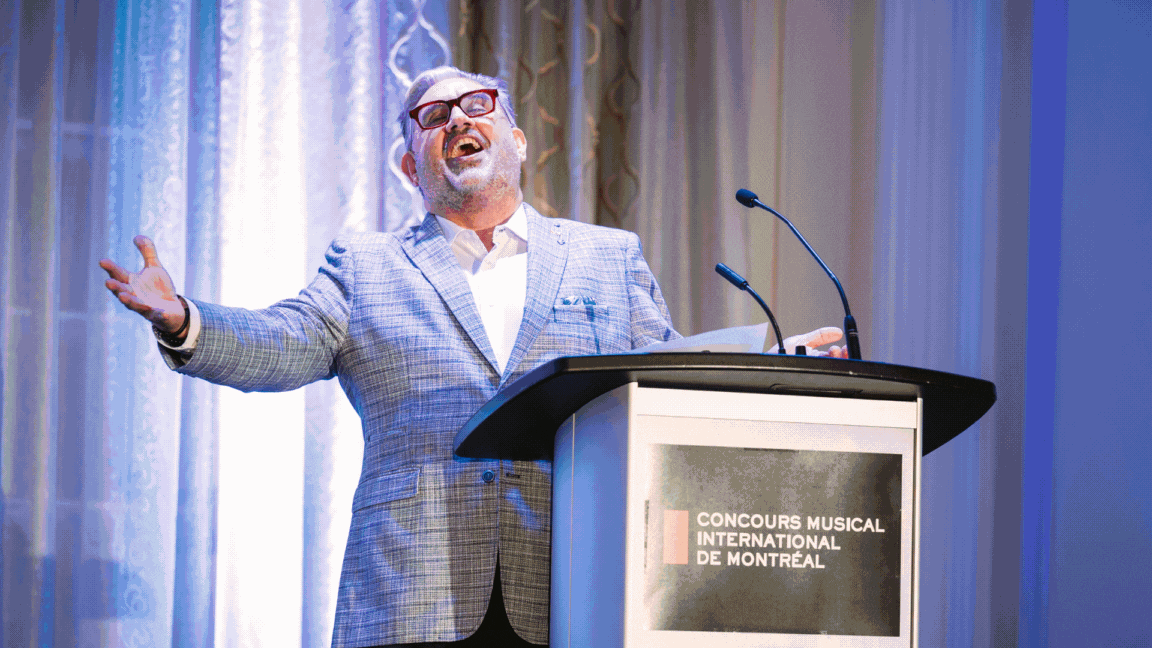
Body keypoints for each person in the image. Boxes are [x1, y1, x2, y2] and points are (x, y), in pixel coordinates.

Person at [100, 66, 845, 647]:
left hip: (571, 589)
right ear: (410, 165)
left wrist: (775, 360)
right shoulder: (365, 265)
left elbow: (664, 377)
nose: (457, 119)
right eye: (433, 117)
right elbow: (283, 342)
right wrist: (184, 319)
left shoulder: (607, 257)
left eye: (476, 105)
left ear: (516, 140)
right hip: (411, 590)